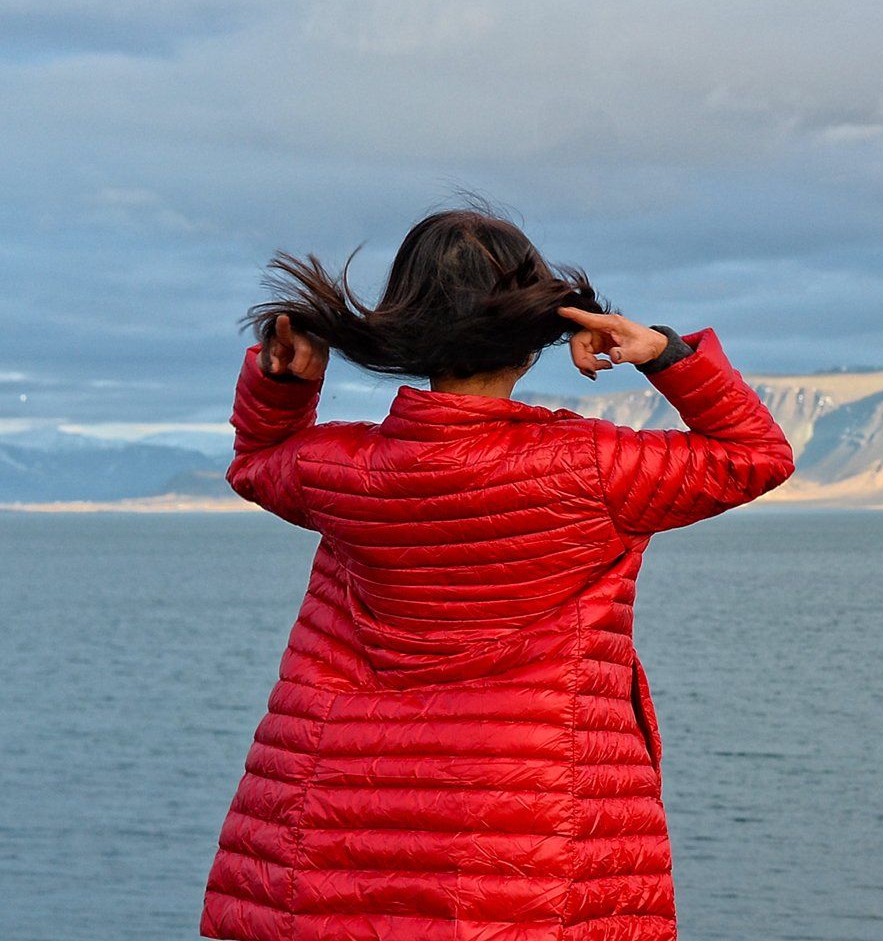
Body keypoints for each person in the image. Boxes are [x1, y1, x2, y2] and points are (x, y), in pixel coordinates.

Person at [199, 205, 796, 941]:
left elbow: (258, 463)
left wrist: (285, 386)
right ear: (531, 336)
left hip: (332, 839)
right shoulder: (598, 470)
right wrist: (662, 354)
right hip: (534, 841)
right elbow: (754, 456)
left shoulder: (339, 470)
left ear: (408, 330)